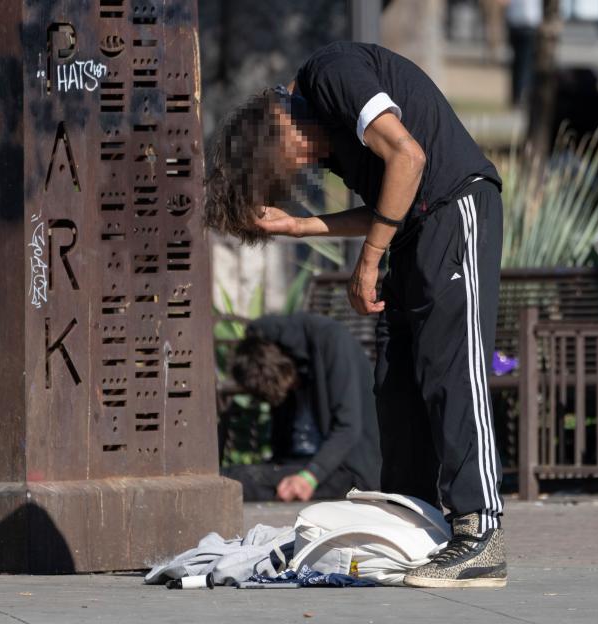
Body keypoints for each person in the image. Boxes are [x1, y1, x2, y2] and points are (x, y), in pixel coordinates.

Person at [205, 41, 506, 588]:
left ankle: (481, 533)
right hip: (415, 228)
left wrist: (367, 262)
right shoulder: (329, 138)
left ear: (274, 133)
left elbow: (409, 159)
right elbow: (385, 202)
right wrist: (301, 226)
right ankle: (418, 527)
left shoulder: (329, 74)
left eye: (288, 164)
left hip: (455, 209)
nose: (306, 165)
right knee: (398, 382)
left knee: (452, 372)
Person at [222, 313, 380, 503]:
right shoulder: (291, 356)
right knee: (229, 476)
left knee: (236, 483)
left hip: (349, 471)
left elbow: (348, 428)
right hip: (304, 463)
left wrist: (310, 476)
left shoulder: (332, 342)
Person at [506, 0, 541, 107]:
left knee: (522, 64)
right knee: (521, 64)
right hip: (520, 24)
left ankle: (519, 95)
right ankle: (519, 95)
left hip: (525, 24)